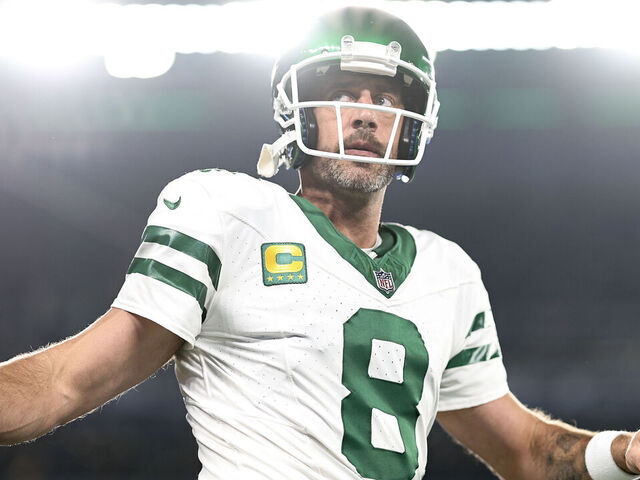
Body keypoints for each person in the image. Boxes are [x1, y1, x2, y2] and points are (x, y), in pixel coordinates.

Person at [0, 6, 639, 480]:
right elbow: (67, 383)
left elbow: (527, 453)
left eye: (384, 98)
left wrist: (624, 452)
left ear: (410, 126)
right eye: (341, 94)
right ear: (299, 110)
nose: (364, 113)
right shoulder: (226, 210)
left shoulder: (450, 273)